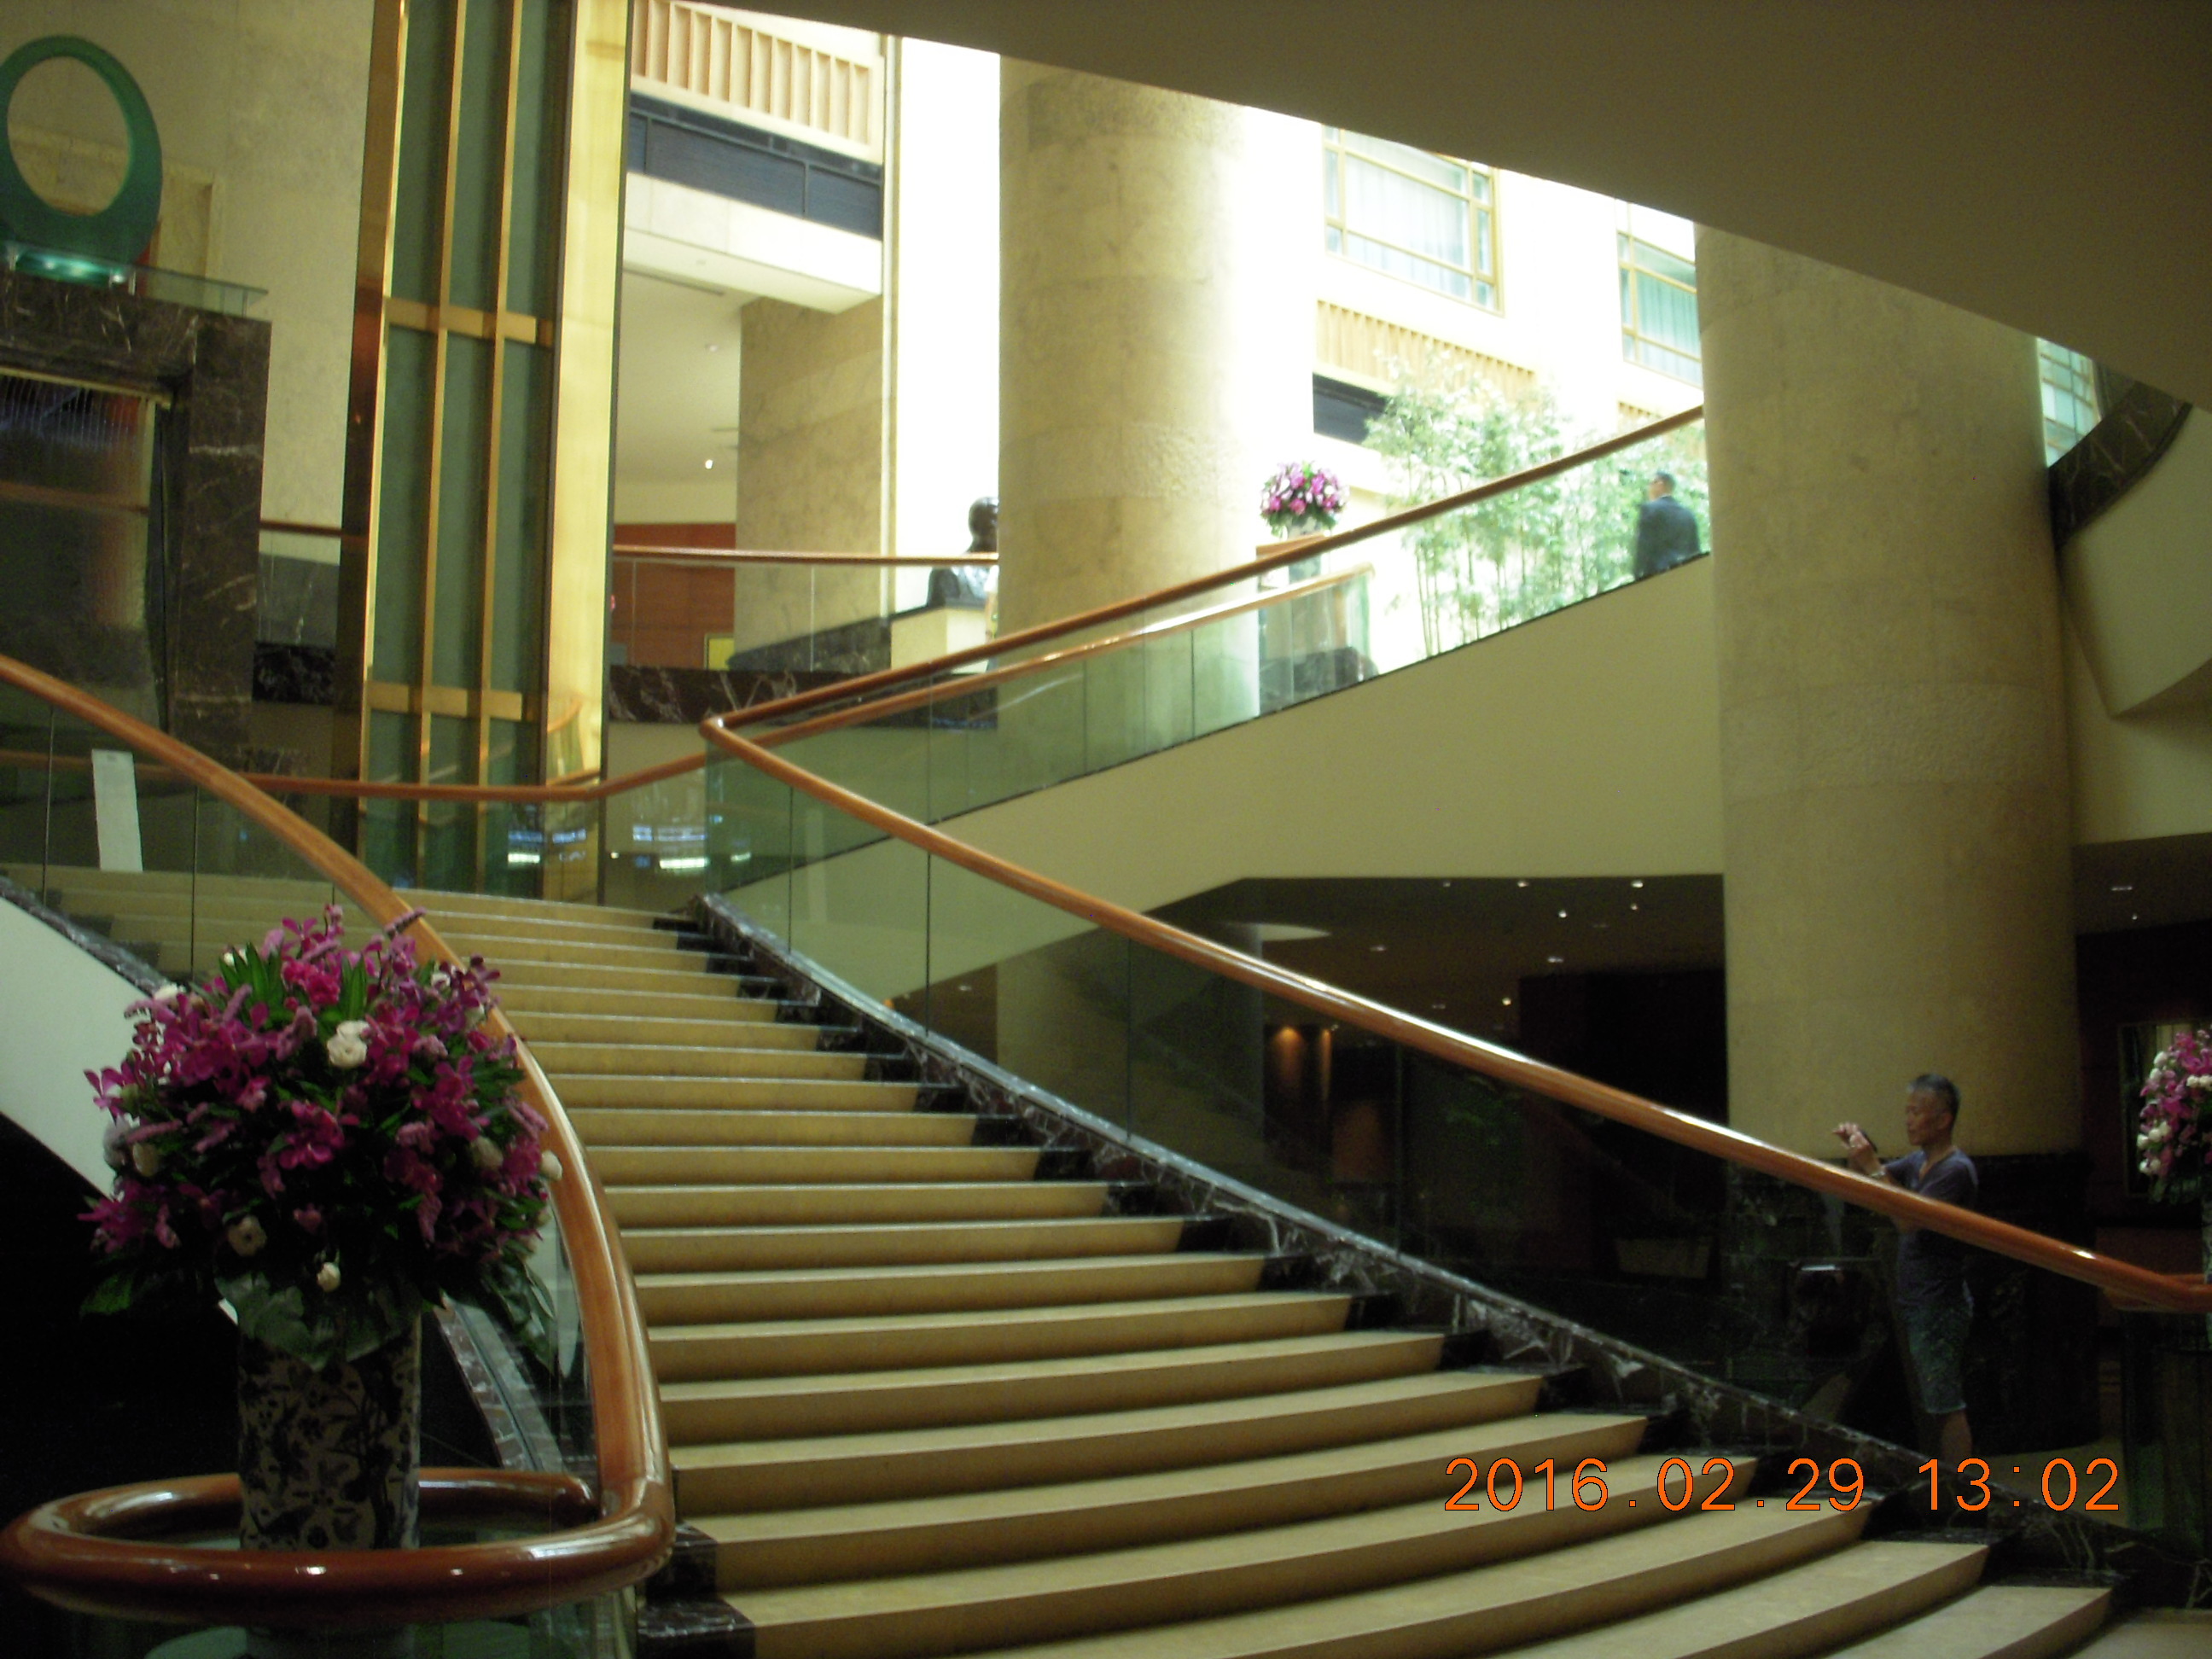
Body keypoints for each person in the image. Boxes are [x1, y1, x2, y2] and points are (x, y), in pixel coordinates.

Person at [1835, 1075, 1978, 1466]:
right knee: (1926, 1400)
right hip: (1916, 1299)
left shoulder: (1955, 1170)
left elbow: (1906, 1219)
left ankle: (1960, 1487)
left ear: (1943, 1119)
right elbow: (1873, 1183)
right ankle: (1941, 1480)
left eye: (1916, 1112)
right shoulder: (1918, 1162)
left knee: (1945, 1402)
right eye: (1907, 1112)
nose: (1909, 1120)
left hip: (1939, 1302)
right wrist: (1859, 1150)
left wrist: (1870, 1163)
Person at [1633, 470, 1702, 579]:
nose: (1649, 488)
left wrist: (1638, 575)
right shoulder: (1688, 515)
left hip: (1658, 576)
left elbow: (1644, 548)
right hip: (1685, 577)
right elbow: (1695, 551)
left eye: (1651, 483)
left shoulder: (1650, 509)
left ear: (1660, 484)